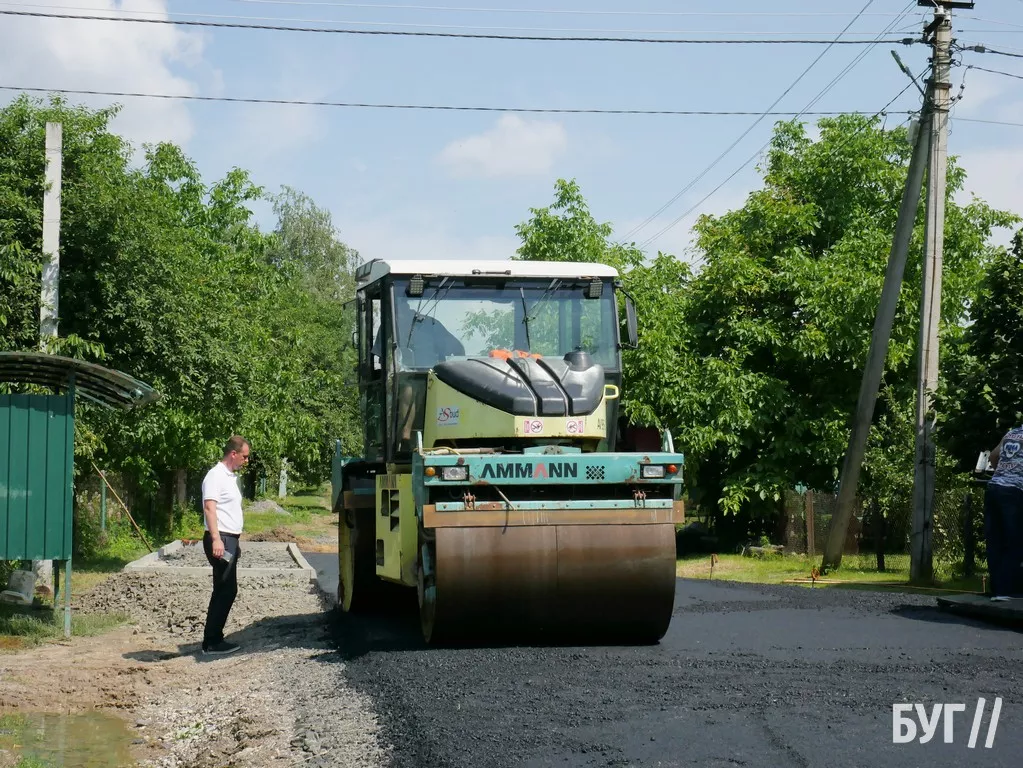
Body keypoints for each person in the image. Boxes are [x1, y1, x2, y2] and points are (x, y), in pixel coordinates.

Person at [200, 435, 250, 654]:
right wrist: (217, 538)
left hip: (230, 539)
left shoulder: (229, 477)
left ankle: (212, 639)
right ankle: (212, 641)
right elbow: (210, 508)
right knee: (226, 589)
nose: (246, 460)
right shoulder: (215, 476)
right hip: (221, 538)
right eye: (244, 456)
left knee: (224, 589)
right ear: (233, 454)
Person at [984, 426, 1023, 601]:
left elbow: (993, 456)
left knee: (996, 540)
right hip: (1014, 491)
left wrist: (1003, 473)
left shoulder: (1012, 433)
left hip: (994, 487)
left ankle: (998, 590)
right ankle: (1007, 590)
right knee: (1015, 541)